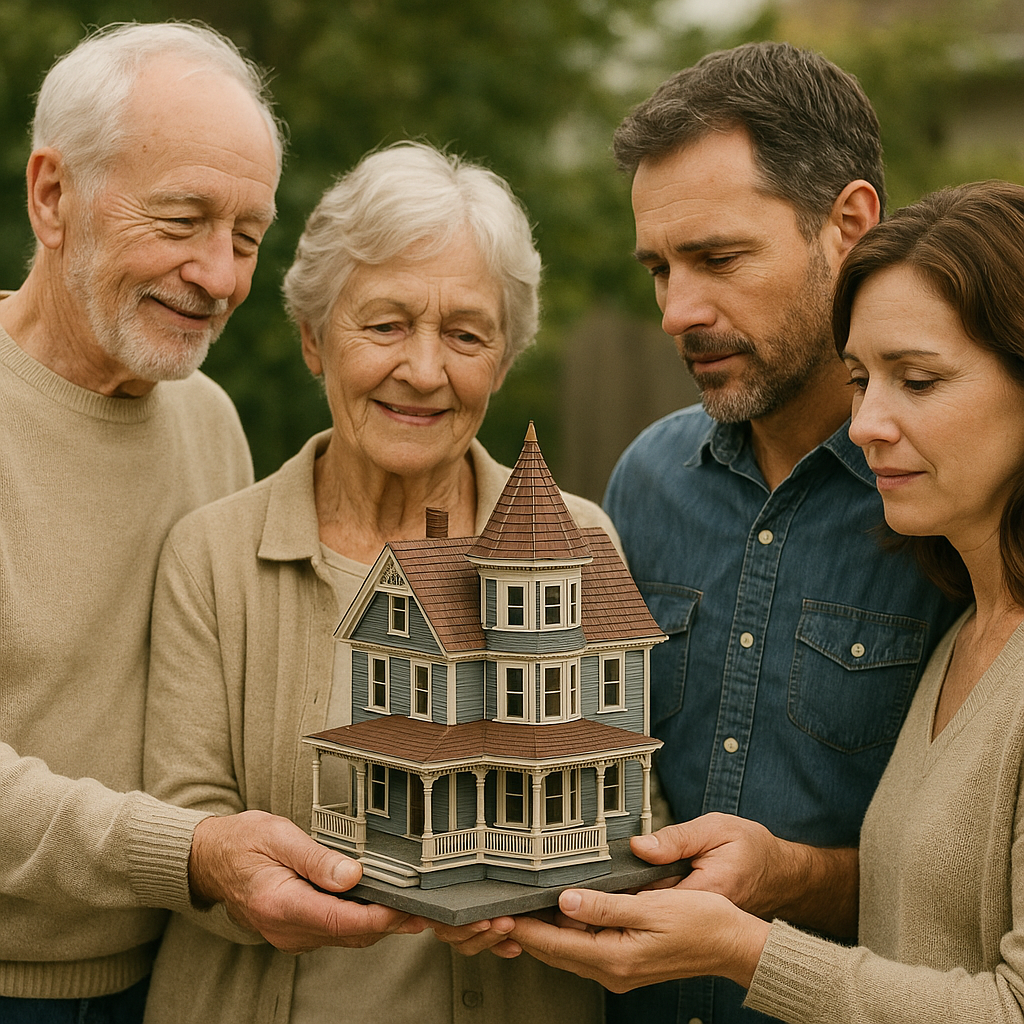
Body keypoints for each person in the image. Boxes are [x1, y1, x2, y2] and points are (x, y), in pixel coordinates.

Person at [508, 177, 1024, 1021]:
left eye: (919, 381)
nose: (866, 424)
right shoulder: (970, 627)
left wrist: (744, 949)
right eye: (862, 380)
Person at [140, 141, 612, 1024]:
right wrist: (249, 882)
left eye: (466, 335)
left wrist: (545, 893)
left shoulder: (575, 542)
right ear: (315, 341)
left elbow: (617, 802)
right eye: (386, 325)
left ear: (503, 362)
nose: (425, 370)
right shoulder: (212, 554)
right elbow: (185, 817)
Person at [0, 23, 409, 1024]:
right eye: (183, 219)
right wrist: (188, 853)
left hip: (175, 981)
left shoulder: (207, 416)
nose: (221, 277)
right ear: (53, 195)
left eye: (246, 235)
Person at [567, 41, 961, 1024]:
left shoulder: (951, 502)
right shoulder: (643, 483)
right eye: (658, 267)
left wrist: (790, 877)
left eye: (716, 258)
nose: (674, 311)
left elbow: (978, 890)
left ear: (848, 225)